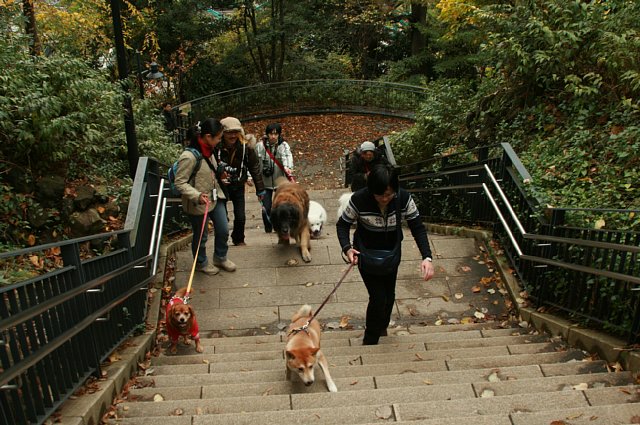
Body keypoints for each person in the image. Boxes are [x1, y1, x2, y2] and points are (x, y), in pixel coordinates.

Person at [336, 163, 435, 345]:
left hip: (391, 255)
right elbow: (342, 224)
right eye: (379, 195)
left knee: (390, 296)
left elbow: (417, 227)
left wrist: (426, 257)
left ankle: (381, 326)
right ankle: (371, 339)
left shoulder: (403, 198)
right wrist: (347, 248)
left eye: (389, 194)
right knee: (378, 297)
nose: (384, 199)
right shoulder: (359, 199)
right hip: (365, 254)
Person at [174, 118, 237, 275]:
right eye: (218, 137)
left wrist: (220, 177)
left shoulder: (211, 150)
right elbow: (180, 183)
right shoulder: (189, 156)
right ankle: (201, 262)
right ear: (208, 137)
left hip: (215, 197)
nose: (220, 140)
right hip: (197, 202)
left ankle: (220, 257)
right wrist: (196, 195)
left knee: (223, 229)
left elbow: (210, 171)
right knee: (201, 236)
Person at [215, 117, 266, 246]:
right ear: (222, 133)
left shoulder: (246, 147)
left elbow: (254, 167)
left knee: (240, 216)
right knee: (222, 217)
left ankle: (238, 238)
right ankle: (222, 240)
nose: (232, 135)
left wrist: (260, 189)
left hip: (238, 185)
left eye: (235, 132)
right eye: (229, 132)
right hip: (221, 186)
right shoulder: (216, 147)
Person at [254, 122, 294, 233]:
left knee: (281, 207)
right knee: (265, 209)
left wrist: (288, 168)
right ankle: (268, 228)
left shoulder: (283, 146)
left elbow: (287, 157)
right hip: (265, 183)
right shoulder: (260, 146)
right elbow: (254, 163)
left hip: (280, 182)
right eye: (271, 134)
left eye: (276, 134)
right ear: (267, 134)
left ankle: (280, 227)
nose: (273, 136)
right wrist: (249, 176)